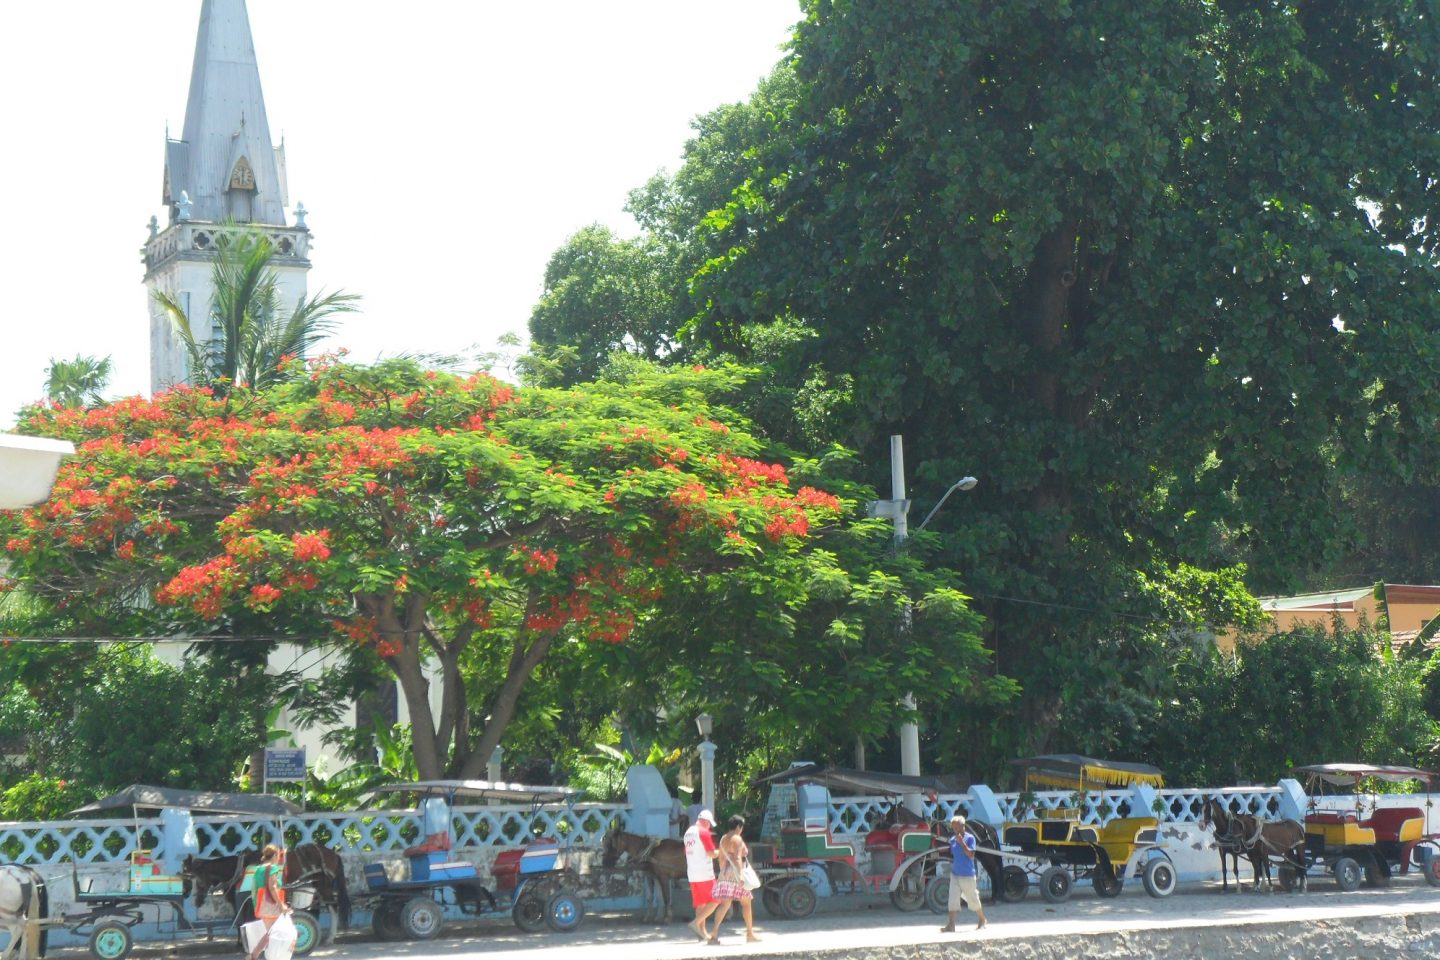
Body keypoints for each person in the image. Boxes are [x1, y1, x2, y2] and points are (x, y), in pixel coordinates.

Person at [708, 815, 760, 943]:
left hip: (725, 873)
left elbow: (721, 857)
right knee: (746, 903)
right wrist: (741, 875)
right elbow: (737, 858)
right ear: (738, 826)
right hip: (736, 874)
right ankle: (749, 934)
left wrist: (724, 872)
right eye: (741, 827)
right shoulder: (737, 839)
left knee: (725, 904)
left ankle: (714, 934)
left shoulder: (723, 838)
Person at [941, 815, 986, 933]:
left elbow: (971, 855)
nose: (954, 828)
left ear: (962, 826)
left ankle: (982, 919)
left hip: (967, 874)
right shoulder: (952, 839)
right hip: (955, 874)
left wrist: (962, 843)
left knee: (973, 899)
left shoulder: (970, 838)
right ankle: (951, 925)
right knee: (953, 899)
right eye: (953, 826)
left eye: (956, 826)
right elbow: (952, 854)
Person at [683, 809, 722, 942]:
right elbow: (711, 853)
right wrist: (720, 852)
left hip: (692, 873)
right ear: (705, 821)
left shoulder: (688, 832)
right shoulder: (703, 832)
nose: (710, 827)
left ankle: (701, 933)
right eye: (709, 824)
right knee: (717, 899)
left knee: (701, 904)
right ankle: (696, 923)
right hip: (705, 873)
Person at [247, 844, 291, 960]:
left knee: (269, 933)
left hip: (261, 904)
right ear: (275, 855)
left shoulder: (258, 869)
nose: (279, 858)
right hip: (271, 906)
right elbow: (272, 888)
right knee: (274, 933)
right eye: (279, 855)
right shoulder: (273, 869)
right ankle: (258, 956)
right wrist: (281, 905)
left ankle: (254, 956)